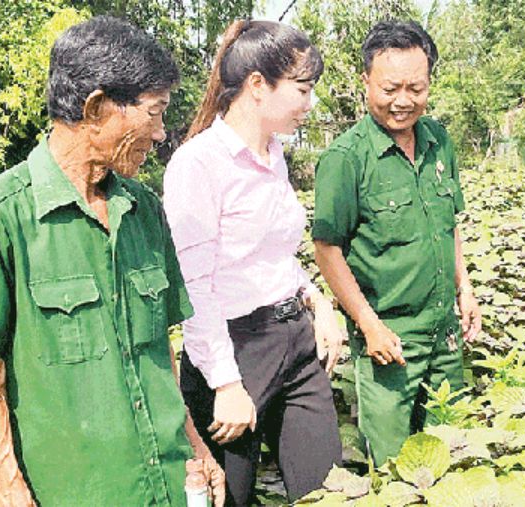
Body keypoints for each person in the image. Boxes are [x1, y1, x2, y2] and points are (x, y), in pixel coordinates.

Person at [0, 16, 224, 506]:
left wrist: (196, 447)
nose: (162, 134)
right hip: (75, 491)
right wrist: (6, 485)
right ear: (97, 108)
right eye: (154, 113)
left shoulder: (144, 210)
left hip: (165, 483)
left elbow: (158, 351)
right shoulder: (5, 216)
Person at [163, 19, 344, 505]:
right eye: (302, 90)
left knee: (329, 489)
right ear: (258, 85)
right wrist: (225, 383)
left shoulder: (275, 155)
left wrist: (317, 301)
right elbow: (193, 285)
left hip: (295, 343)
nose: (310, 104)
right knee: (229, 496)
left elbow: (273, 256)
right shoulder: (198, 164)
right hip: (233, 350)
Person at [313, 20, 482, 464]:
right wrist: (368, 324)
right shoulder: (345, 159)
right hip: (389, 340)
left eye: (416, 87)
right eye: (390, 88)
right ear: (366, 80)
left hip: (444, 334)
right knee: (391, 467)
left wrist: (465, 287)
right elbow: (327, 250)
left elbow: (449, 224)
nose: (404, 101)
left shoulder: (438, 141)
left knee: (454, 454)